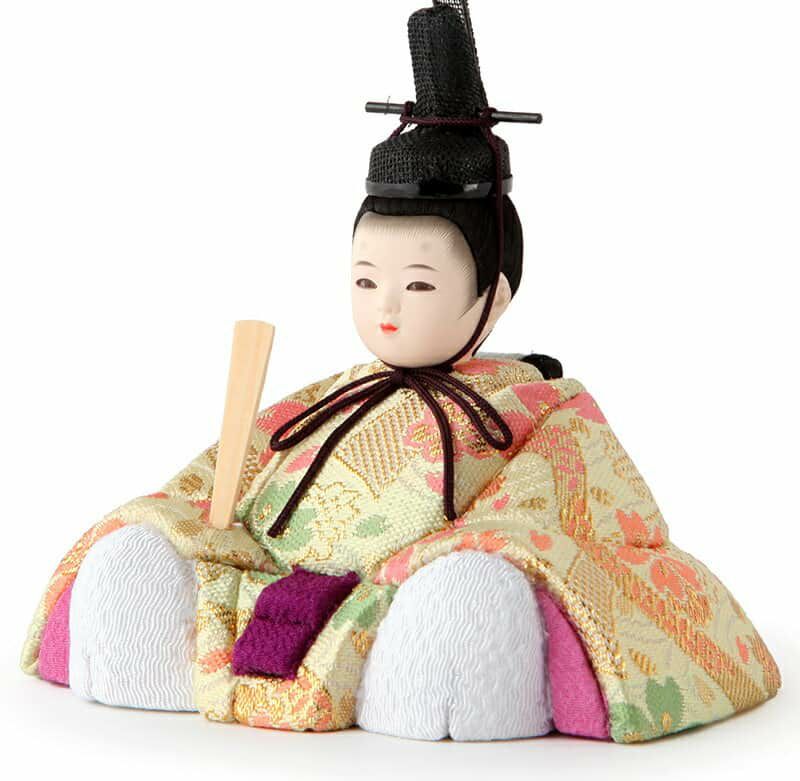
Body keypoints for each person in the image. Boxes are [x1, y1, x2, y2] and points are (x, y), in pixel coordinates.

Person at [21, 0, 779, 743]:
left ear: (494, 295)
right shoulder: (329, 397)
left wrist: (451, 563)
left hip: (397, 606)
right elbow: (223, 481)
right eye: (365, 280)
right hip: (261, 588)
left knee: (470, 598)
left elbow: (576, 521)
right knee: (139, 550)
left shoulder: (537, 409)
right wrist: (208, 527)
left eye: (417, 284)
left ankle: (424, 669)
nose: (385, 307)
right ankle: (161, 661)